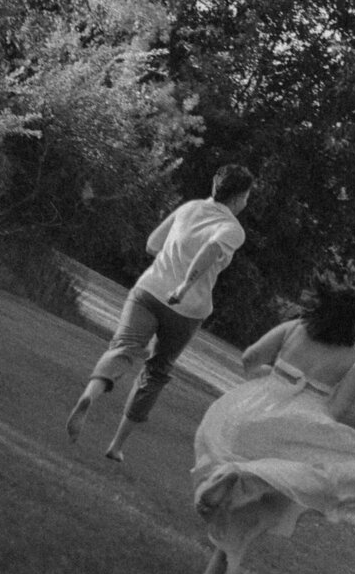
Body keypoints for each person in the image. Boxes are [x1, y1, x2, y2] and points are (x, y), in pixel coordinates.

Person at [191, 277, 355, 574]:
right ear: (353, 324)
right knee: (274, 504)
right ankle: (234, 488)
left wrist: (266, 381)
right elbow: (341, 411)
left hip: (254, 413)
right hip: (298, 431)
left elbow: (250, 358)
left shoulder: (294, 329)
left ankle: (232, 476)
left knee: (246, 479)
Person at [66, 163, 254, 461]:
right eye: (246, 197)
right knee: (155, 372)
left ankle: (90, 394)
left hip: (149, 290)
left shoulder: (190, 207)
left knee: (123, 348)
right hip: (186, 309)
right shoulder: (233, 228)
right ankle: (115, 446)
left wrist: (175, 257)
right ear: (237, 197)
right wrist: (183, 287)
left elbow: (153, 245)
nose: (246, 203)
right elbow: (210, 251)